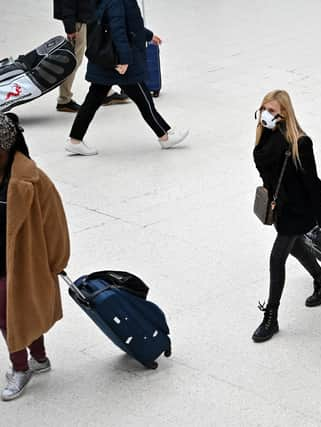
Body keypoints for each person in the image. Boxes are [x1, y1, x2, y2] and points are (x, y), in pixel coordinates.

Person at [252, 90, 321, 343]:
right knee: (296, 247)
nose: (265, 115)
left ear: (284, 114)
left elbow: (313, 184)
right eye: (263, 109)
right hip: (280, 208)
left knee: (277, 257)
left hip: (298, 209)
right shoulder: (264, 137)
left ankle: (271, 317)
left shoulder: (299, 143)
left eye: (271, 110)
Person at [0, 113, 70, 401]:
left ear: (5, 148)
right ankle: (39, 359)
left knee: (8, 315)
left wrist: (56, 262)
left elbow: (55, 224)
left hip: (22, 262)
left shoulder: (34, 180)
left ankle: (20, 368)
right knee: (18, 312)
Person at [65, 0, 188, 156]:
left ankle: (74, 140)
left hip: (105, 59)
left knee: (93, 100)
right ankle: (165, 136)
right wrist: (124, 60)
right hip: (118, 62)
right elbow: (118, 30)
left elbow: (129, 25)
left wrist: (148, 35)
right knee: (144, 99)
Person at [53, 0, 129, 113]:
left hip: (88, 16)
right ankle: (64, 100)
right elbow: (67, 3)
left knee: (97, 51)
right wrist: (70, 27)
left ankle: (104, 92)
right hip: (78, 20)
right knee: (73, 60)